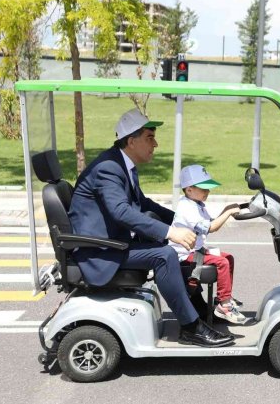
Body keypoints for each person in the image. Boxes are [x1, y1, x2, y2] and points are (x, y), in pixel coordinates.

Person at [67, 108, 234, 347]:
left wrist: (179, 220)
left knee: (165, 245)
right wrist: (171, 232)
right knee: (165, 254)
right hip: (101, 252)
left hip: (112, 242)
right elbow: (121, 211)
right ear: (131, 140)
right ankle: (191, 327)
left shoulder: (122, 164)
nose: (155, 144)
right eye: (149, 137)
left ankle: (197, 309)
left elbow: (142, 204)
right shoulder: (109, 168)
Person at [169, 164, 247, 324]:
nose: (207, 192)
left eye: (208, 188)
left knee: (229, 258)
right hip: (186, 255)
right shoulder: (187, 208)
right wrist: (228, 213)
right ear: (189, 189)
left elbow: (210, 222)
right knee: (222, 263)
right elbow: (211, 228)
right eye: (203, 189)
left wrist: (226, 210)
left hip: (196, 250)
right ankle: (224, 306)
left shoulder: (196, 204)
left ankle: (224, 297)